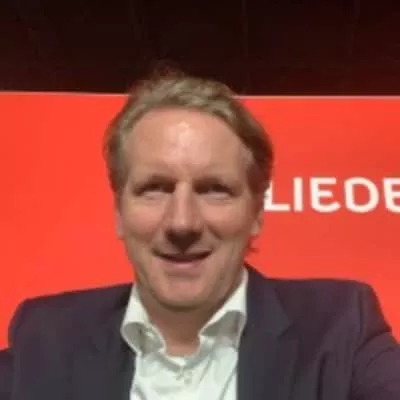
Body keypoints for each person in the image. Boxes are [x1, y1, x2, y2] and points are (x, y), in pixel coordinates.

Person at [1, 71, 400, 400]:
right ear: (119, 211)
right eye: (155, 188)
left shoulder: (341, 326)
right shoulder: (46, 336)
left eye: (214, 189)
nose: (182, 222)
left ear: (257, 213)